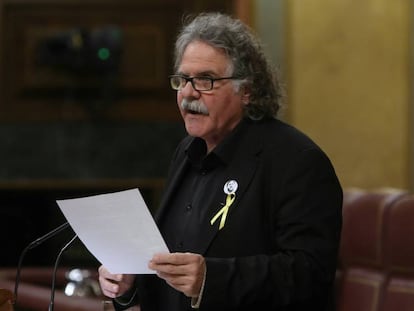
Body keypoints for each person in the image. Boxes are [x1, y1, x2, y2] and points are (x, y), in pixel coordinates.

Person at [98, 12, 342, 311]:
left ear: (247, 90)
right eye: (184, 79)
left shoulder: (297, 161)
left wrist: (211, 280)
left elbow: (310, 274)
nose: (188, 93)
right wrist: (130, 285)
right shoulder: (187, 152)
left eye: (206, 80)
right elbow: (172, 272)